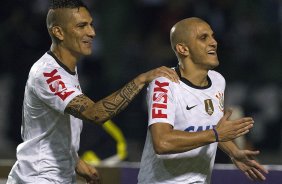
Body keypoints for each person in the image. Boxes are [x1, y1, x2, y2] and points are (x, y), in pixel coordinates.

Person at [6, 0, 180, 184]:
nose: (92, 32)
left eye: (91, 24)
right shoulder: (48, 74)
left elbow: (50, 130)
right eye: (82, 26)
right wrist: (142, 79)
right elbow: (95, 114)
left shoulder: (66, 67)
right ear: (58, 32)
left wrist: (75, 161)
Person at [137, 17, 268, 184]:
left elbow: (213, 127)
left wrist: (233, 152)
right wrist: (215, 134)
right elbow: (162, 142)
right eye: (203, 38)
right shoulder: (164, 84)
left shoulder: (218, 81)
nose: (214, 42)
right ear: (183, 49)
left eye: (213, 36)